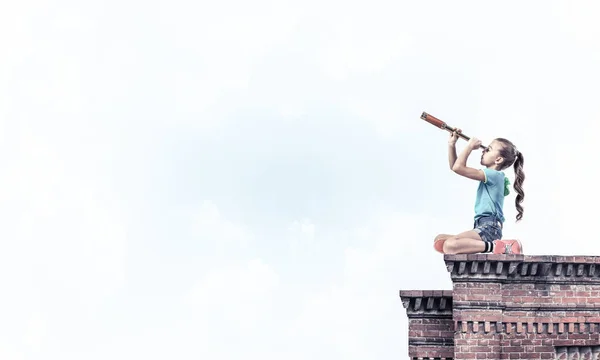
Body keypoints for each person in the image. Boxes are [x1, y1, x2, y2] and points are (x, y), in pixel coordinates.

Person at [433, 129, 525, 255]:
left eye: (488, 149)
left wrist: (470, 146)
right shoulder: (492, 176)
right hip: (482, 225)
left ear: (498, 159)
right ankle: (478, 245)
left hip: (490, 226)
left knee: (449, 245)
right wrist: (452, 144)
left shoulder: (495, 175)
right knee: (440, 239)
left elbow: (458, 168)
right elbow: (455, 166)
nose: (483, 150)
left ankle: (500, 247)